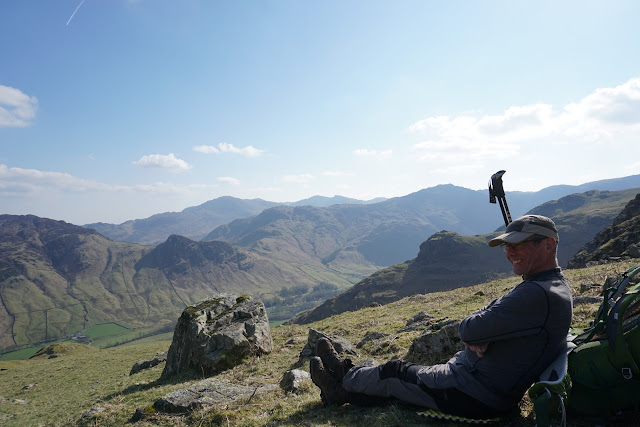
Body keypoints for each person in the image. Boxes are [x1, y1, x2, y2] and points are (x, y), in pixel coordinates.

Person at [310, 214, 573, 419]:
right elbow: (484, 321)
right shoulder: (549, 286)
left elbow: (468, 329)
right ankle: (343, 380)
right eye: (507, 245)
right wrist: (482, 331)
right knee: (402, 384)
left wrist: (477, 334)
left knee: (395, 372)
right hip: (478, 384)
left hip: (472, 392)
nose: (509, 252)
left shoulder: (537, 294)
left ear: (548, 244)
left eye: (519, 244)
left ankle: (341, 382)